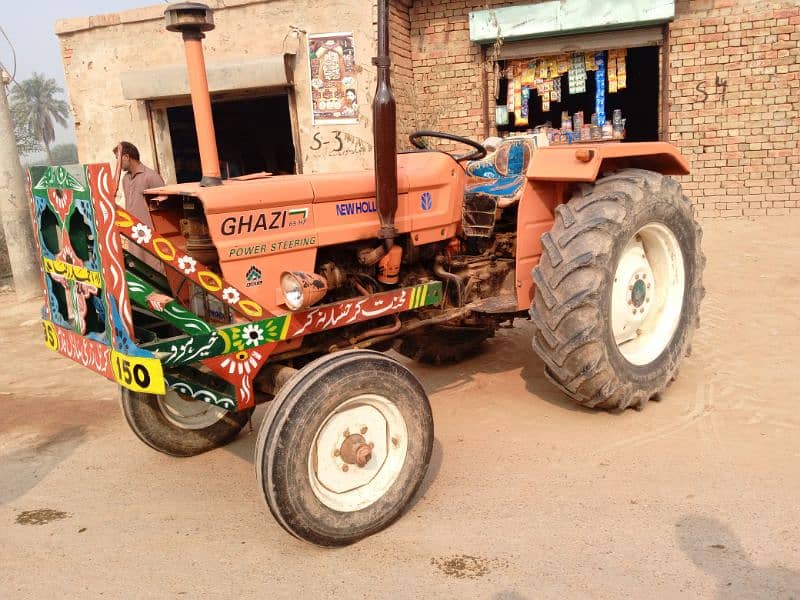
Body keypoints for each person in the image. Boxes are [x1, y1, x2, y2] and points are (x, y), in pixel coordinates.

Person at [113, 141, 164, 227]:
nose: (118, 164)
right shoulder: (125, 179)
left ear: (126, 157)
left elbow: (165, 209)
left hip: (150, 235)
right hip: (133, 231)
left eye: (118, 158)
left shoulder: (150, 176)